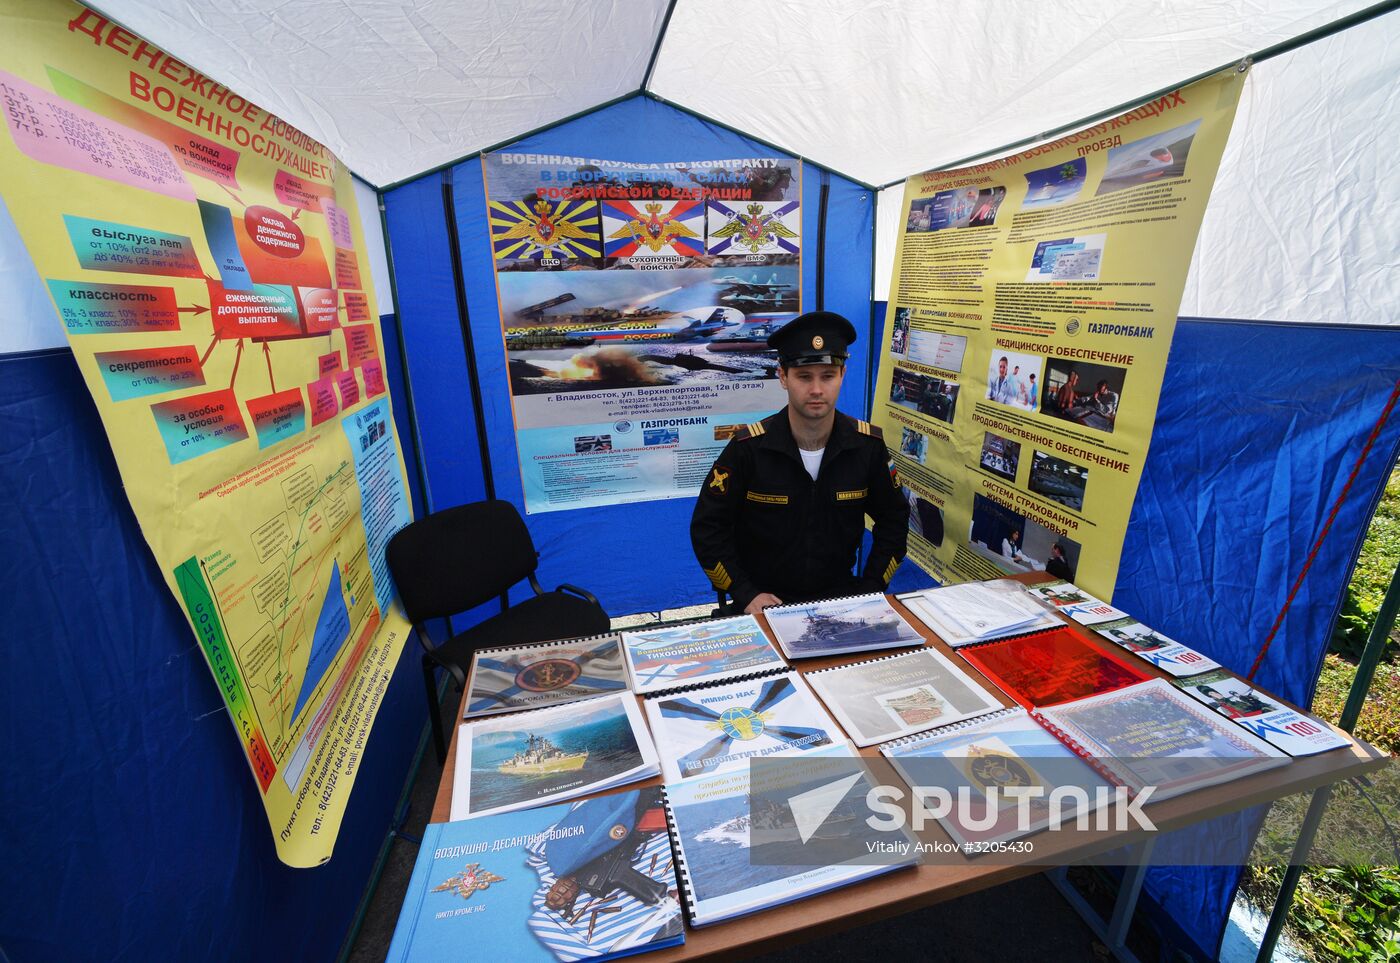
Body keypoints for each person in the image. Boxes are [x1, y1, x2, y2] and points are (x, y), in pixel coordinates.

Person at [691, 311, 909, 615]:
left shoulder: (866, 447)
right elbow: (707, 528)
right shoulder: (748, 450)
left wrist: (871, 586)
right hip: (763, 606)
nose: (817, 390)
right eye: (804, 377)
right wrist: (744, 592)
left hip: (840, 604)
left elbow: (895, 521)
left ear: (843, 375)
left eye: (828, 376)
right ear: (783, 377)